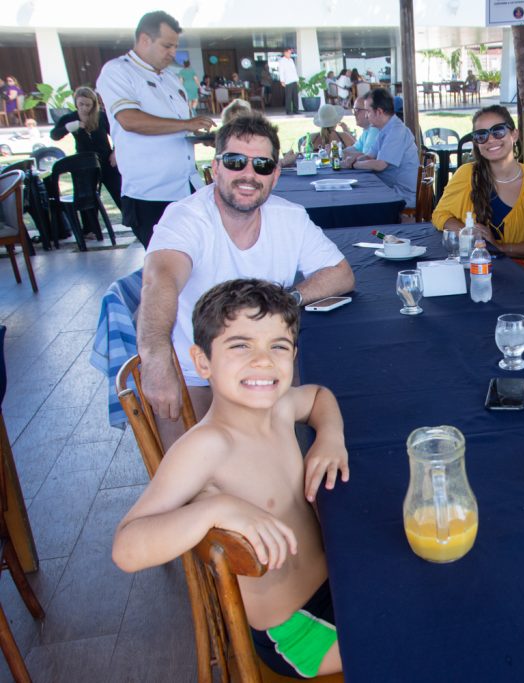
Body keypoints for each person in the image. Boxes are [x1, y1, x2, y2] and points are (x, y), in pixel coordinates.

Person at [113, 278, 347, 678]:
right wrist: (216, 508)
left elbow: (320, 396)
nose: (263, 361)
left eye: (279, 346)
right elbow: (126, 549)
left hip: (336, 587)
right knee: (417, 639)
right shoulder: (207, 447)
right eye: (240, 345)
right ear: (202, 362)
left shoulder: (277, 407)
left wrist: (330, 437)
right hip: (295, 631)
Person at [138, 113, 356, 447]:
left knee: (287, 459)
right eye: (236, 162)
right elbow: (160, 280)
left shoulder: (289, 218)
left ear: (276, 174)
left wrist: (286, 300)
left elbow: (340, 274)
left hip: (264, 370)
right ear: (215, 168)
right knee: (194, 475)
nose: (248, 175)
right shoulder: (187, 218)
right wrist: (155, 358)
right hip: (199, 373)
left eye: (262, 165)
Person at [97, 11, 215, 247]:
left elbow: (178, 129)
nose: (173, 53)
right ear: (144, 40)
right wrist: (186, 124)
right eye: (167, 46)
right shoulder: (118, 71)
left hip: (186, 188)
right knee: (167, 268)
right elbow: (130, 120)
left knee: (200, 261)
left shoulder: (170, 78)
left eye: (175, 46)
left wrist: (201, 135)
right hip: (150, 194)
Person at [432, 104, 524, 279]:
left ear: (514, 134)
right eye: (481, 135)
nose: (490, 139)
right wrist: (469, 234)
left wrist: (498, 247)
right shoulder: (466, 175)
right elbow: (440, 214)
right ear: (476, 142)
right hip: (474, 269)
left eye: (498, 131)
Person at [340, 88, 418, 208]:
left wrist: (354, 164)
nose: (366, 116)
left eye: (368, 111)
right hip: (389, 187)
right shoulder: (384, 129)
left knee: (357, 199)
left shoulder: (396, 131)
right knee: (354, 193)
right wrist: (353, 159)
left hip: (402, 194)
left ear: (379, 112)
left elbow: (380, 165)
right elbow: (369, 156)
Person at [50, 86, 123, 213]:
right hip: (84, 163)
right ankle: (90, 230)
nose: (84, 108)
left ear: (94, 104)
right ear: (76, 103)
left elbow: (118, 135)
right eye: (81, 104)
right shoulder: (70, 118)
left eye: (88, 105)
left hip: (106, 160)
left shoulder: (101, 116)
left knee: (119, 193)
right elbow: (54, 135)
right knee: (87, 199)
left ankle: (134, 223)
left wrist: (115, 153)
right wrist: (68, 128)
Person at [278, 48, 299, 116]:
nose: (290, 54)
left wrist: (297, 80)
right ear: (285, 53)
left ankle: (296, 110)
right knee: (288, 97)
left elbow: (294, 70)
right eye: (289, 53)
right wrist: (282, 81)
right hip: (287, 81)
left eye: (291, 53)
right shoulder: (282, 61)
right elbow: (281, 71)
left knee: (295, 96)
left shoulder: (291, 60)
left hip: (294, 80)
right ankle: (288, 111)